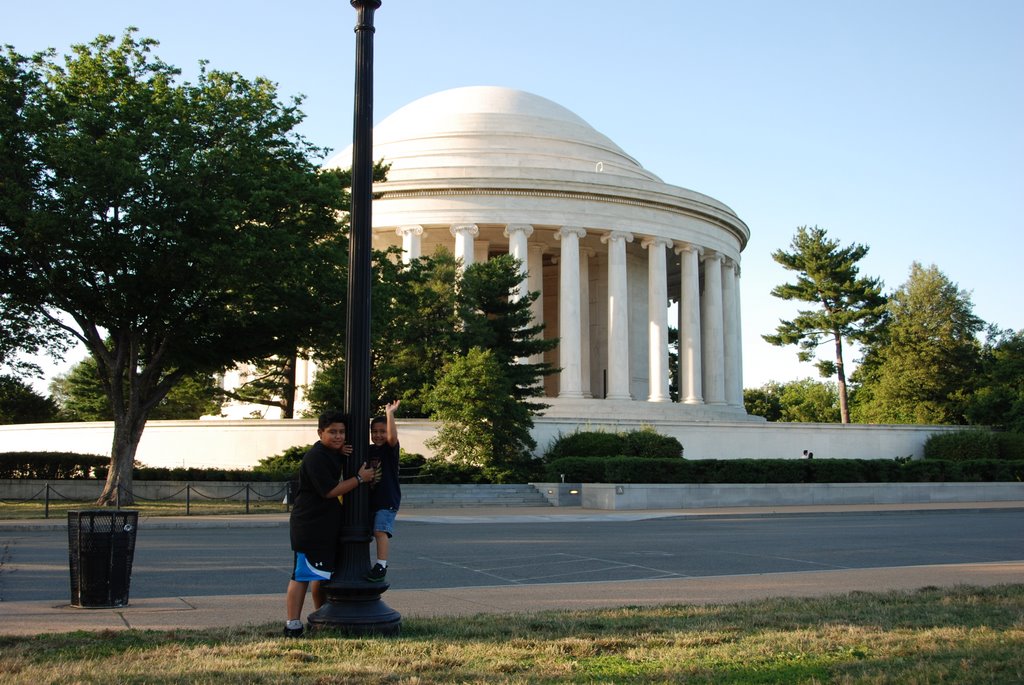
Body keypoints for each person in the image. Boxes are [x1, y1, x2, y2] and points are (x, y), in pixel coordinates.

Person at [284, 410, 374, 638]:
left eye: (342, 432)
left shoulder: (332, 453)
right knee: (302, 575)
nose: (338, 436)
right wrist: (360, 479)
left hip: (327, 525)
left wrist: (343, 454)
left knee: (320, 576)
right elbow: (330, 491)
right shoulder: (316, 457)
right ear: (319, 433)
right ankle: (292, 625)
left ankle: (321, 618)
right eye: (332, 432)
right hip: (310, 525)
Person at [365, 400, 402, 582]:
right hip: (370, 499)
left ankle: (381, 564)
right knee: (365, 532)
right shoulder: (368, 450)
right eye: (374, 432)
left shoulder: (390, 449)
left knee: (380, 531)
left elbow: (393, 438)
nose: (378, 435)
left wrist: (390, 414)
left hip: (387, 499)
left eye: (382, 431)